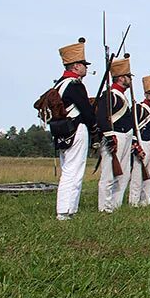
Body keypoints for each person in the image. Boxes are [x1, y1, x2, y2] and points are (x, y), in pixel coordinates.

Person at [53, 37, 101, 221]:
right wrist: (94, 126)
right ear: (75, 66)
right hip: (76, 128)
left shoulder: (59, 84)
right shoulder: (74, 85)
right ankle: (65, 211)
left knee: (69, 169)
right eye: (83, 64)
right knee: (73, 170)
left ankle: (69, 209)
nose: (85, 67)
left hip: (64, 130)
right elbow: (87, 112)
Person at [96, 54, 136, 212]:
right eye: (127, 76)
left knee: (124, 174)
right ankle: (104, 208)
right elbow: (101, 118)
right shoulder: (109, 95)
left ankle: (115, 205)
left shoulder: (122, 96)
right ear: (120, 78)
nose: (130, 79)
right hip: (115, 136)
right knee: (108, 174)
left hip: (125, 136)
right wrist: (109, 135)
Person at [129, 70, 150, 207]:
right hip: (142, 143)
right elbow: (133, 128)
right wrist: (136, 147)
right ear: (146, 94)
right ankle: (133, 202)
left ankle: (146, 202)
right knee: (137, 176)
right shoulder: (138, 108)